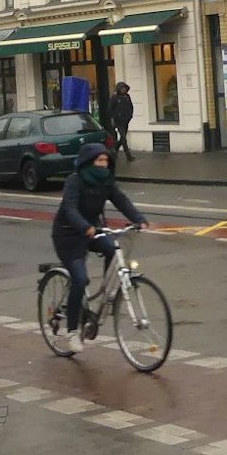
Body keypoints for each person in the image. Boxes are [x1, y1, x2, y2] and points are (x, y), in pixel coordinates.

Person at [49, 143, 147, 354]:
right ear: (88, 162)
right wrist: (84, 227)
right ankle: (73, 331)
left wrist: (138, 219)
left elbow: (121, 200)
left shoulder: (106, 182)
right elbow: (69, 208)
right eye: (99, 161)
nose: (103, 165)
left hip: (93, 230)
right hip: (69, 236)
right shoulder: (75, 181)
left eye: (106, 161)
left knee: (113, 249)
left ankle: (107, 292)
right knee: (80, 279)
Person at [108, 82, 135, 162]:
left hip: (126, 120)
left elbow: (131, 107)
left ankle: (115, 150)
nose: (123, 89)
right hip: (118, 121)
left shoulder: (127, 96)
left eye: (124, 88)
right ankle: (128, 155)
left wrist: (130, 115)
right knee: (123, 138)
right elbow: (110, 109)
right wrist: (113, 119)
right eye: (122, 88)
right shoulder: (114, 97)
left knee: (122, 139)